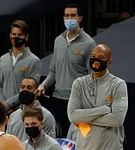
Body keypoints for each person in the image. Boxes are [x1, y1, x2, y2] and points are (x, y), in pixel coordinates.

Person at [37, 3, 95, 137]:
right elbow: (53, 71)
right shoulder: (58, 40)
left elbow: (92, 75)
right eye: (66, 15)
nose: (69, 18)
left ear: (80, 18)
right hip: (58, 98)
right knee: (59, 136)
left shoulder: (89, 43)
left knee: (79, 137)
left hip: (78, 101)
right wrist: (44, 85)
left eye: (73, 15)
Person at [0, 20, 41, 110]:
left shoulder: (34, 61)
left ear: (26, 37)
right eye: (13, 34)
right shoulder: (2, 59)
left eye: (19, 35)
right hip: (4, 110)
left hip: (24, 110)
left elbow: (30, 89)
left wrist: (8, 104)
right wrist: (2, 104)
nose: (16, 37)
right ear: (10, 36)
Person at [7, 77, 56, 141]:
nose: (25, 90)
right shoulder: (13, 116)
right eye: (22, 87)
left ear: (36, 91)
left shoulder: (46, 116)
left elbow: (50, 143)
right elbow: (8, 141)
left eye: (29, 87)